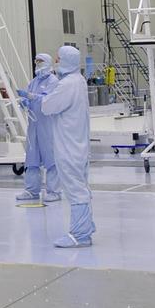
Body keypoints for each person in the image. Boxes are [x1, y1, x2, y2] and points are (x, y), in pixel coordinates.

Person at [40, 44, 96, 247]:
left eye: (58, 58)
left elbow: (48, 106)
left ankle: (80, 235)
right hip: (77, 143)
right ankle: (86, 227)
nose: (56, 61)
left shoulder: (68, 84)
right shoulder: (78, 81)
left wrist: (40, 99)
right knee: (80, 186)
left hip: (69, 146)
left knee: (74, 188)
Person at [15, 53, 60, 204]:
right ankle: (31, 190)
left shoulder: (53, 81)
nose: (37, 64)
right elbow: (29, 97)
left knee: (51, 157)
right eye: (36, 62)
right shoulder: (33, 81)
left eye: (40, 62)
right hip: (33, 124)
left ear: (47, 62)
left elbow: (48, 98)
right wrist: (25, 101)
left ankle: (54, 191)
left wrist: (31, 96)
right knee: (32, 158)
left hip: (48, 124)